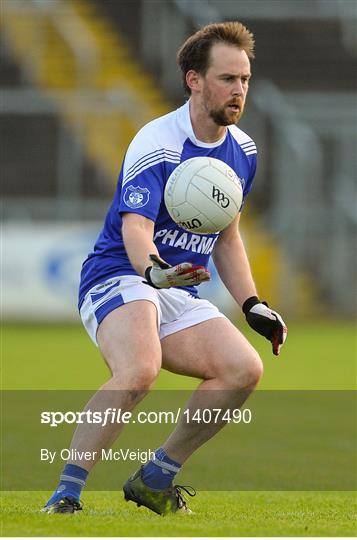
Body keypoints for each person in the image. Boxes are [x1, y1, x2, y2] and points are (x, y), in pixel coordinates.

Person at [43, 21, 287, 516]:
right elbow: (135, 228)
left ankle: (156, 477)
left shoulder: (243, 151)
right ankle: (65, 495)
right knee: (139, 370)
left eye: (244, 79)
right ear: (194, 80)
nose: (238, 90)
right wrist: (154, 271)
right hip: (121, 274)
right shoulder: (158, 142)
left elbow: (229, 236)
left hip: (177, 288)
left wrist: (253, 304)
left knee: (243, 370)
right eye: (226, 78)